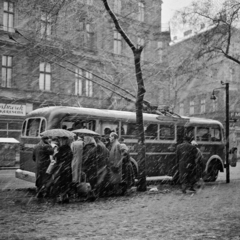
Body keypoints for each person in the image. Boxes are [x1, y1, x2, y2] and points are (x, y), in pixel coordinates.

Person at [50, 137, 73, 203]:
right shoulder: (69, 148)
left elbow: (57, 156)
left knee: (60, 182)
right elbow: (71, 157)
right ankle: (66, 196)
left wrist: (56, 153)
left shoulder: (61, 148)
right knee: (67, 182)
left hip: (61, 168)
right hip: (68, 168)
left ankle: (61, 197)